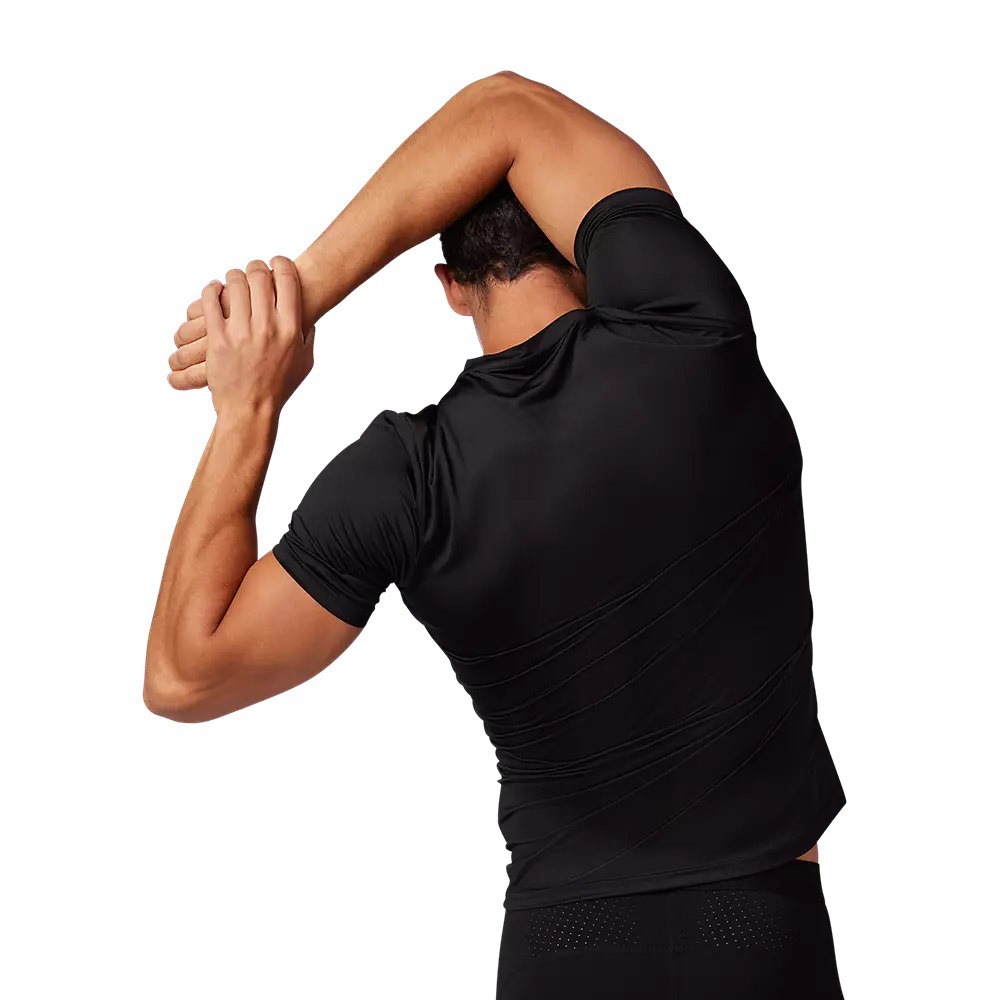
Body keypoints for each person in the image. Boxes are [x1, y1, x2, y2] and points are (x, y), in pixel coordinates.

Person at [147, 72, 846, 998]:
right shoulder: (692, 330)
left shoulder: (406, 480)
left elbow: (185, 678)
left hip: (562, 950)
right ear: (586, 244)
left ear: (450, 287)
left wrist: (252, 400)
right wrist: (303, 289)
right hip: (758, 934)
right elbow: (507, 111)